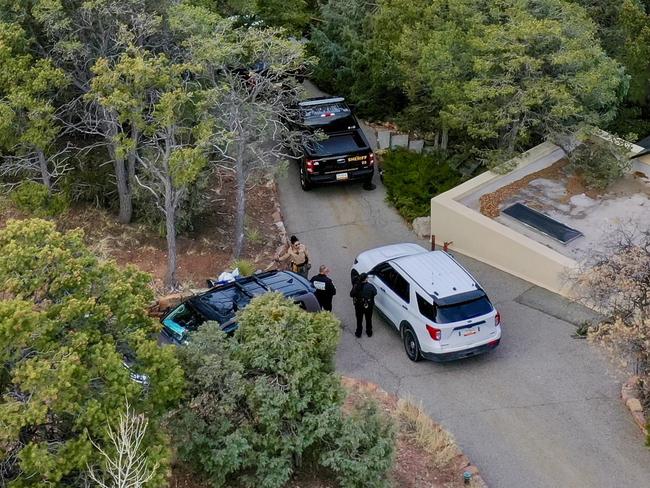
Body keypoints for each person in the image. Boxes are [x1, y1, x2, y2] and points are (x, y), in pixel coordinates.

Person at [350, 272, 377, 338]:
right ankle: (369, 332)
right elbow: (375, 292)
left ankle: (358, 333)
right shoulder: (370, 286)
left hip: (358, 306)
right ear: (366, 279)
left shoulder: (356, 286)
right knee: (368, 319)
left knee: (359, 320)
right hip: (368, 306)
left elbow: (351, 294)